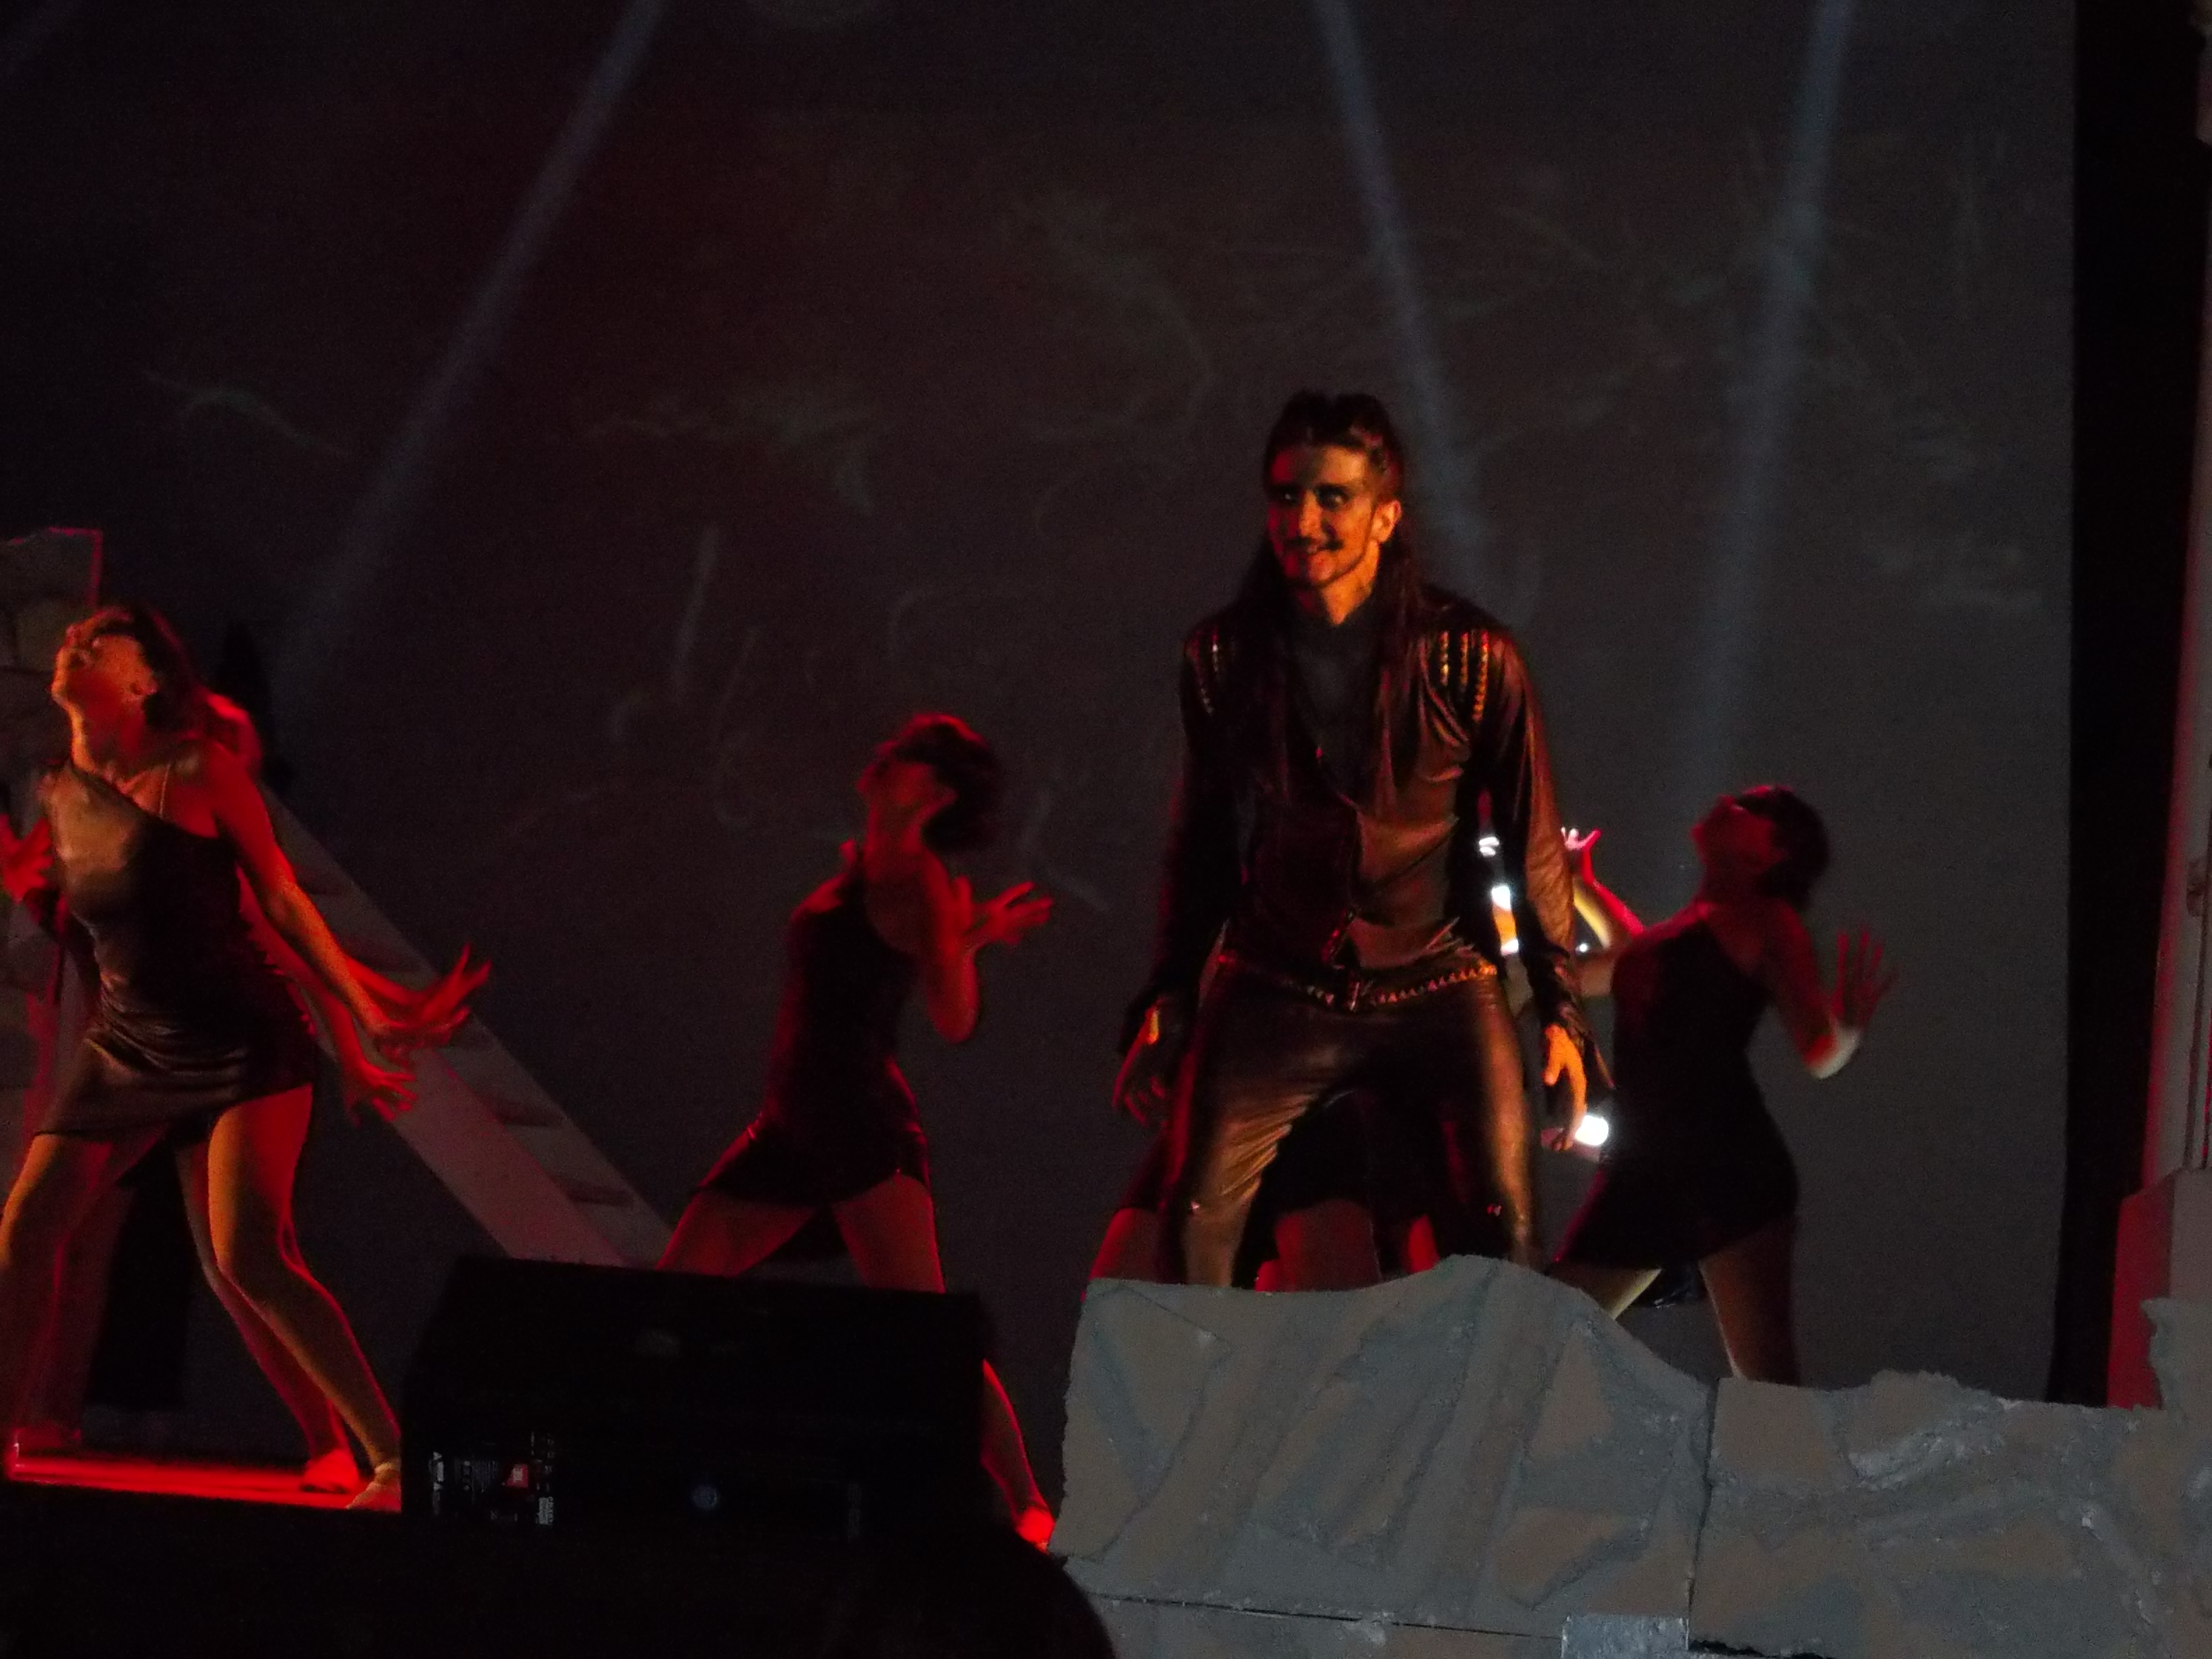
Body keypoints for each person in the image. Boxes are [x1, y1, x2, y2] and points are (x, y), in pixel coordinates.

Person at [0, 603, 475, 1507]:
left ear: (145, 681)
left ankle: (390, 1458)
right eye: (71, 638)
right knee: (26, 1228)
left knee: (249, 1255)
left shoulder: (197, 770)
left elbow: (281, 908)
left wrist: (362, 1017)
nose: (73, 644)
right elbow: (64, 909)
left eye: (98, 641)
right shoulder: (59, 790)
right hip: (128, 1043)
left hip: (239, 1037)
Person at [1116, 390, 1590, 1287]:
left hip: (1438, 978)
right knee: (1192, 1229)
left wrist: (1563, 1012)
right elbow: (1203, 839)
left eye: (1332, 497)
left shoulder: (1470, 656)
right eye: (1286, 496)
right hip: (1278, 977)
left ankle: (1482, 1385)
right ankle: (1215, 1387)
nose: (1304, 522)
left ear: (1385, 515)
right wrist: (1169, 993)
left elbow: (1531, 841)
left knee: (1504, 1239)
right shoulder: (1223, 657)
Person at [659, 714, 1056, 1546]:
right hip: (791, 1124)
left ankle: (1028, 1504)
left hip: (861, 1126)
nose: (885, 754)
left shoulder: (922, 882)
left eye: (907, 755)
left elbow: (953, 1018)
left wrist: (959, 942)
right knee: (674, 1293)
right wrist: (966, 936)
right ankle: (667, 1470)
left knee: (926, 1331)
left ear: (934, 793)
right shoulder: (865, 869)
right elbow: (883, 961)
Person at [1549, 796, 1894, 1383]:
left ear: (1770, 851)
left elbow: (1817, 1050)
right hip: (1646, 1173)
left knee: (1766, 1383)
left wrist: (1848, 1030)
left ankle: (1789, 1456)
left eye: (1751, 808)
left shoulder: (1766, 920)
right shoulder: (1676, 936)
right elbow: (1635, 960)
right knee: (1542, 1326)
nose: (1730, 803)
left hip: (1726, 1170)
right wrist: (1581, 885)